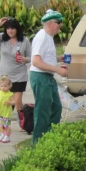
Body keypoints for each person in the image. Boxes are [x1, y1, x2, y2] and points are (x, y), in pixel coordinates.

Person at [29, 10, 68, 144]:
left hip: (47, 77)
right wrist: (58, 70)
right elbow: (36, 61)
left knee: (56, 107)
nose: (60, 25)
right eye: (59, 22)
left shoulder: (48, 37)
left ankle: (49, 136)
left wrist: (57, 58)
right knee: (43, 110)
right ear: (50, 23)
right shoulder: (42, 37)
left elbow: (44, 57)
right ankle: (38, 141)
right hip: (40, 77)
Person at [0, 17, 32, 113]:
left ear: (17, 29)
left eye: (13, 28)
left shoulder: (24, 40)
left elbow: (31, 57)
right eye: (8, 28)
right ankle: (5, 126)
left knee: (17, 101)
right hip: (4, 77)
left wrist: (25, 59)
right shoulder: (2, 38)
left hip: (19, 76)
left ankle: (23, 125)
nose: (10, 31)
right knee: (4, 102)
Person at [0, 76, 16, 143]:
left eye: (5, 86)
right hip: (0, 112)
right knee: (1, 125)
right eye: (2, 86)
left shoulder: (10, 94)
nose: (3, 88)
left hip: (6, 113)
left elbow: (14, 102)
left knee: (6, 125)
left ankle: (7, 136)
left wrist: (10, 102)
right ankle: (2, 134)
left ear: (9, 86)